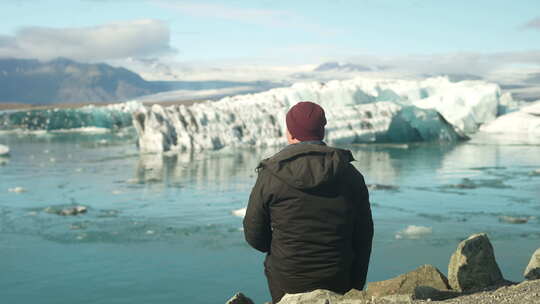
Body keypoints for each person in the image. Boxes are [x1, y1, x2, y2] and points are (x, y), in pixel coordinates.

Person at [243, 101, 374, 303]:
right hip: (338, 278)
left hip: (287, 280)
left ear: (290, 132)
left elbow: (254, 234)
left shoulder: (271, 175)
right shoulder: (350, 174)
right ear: (322, 131)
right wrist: (355, 286)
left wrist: (283, 249)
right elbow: (363, 236)